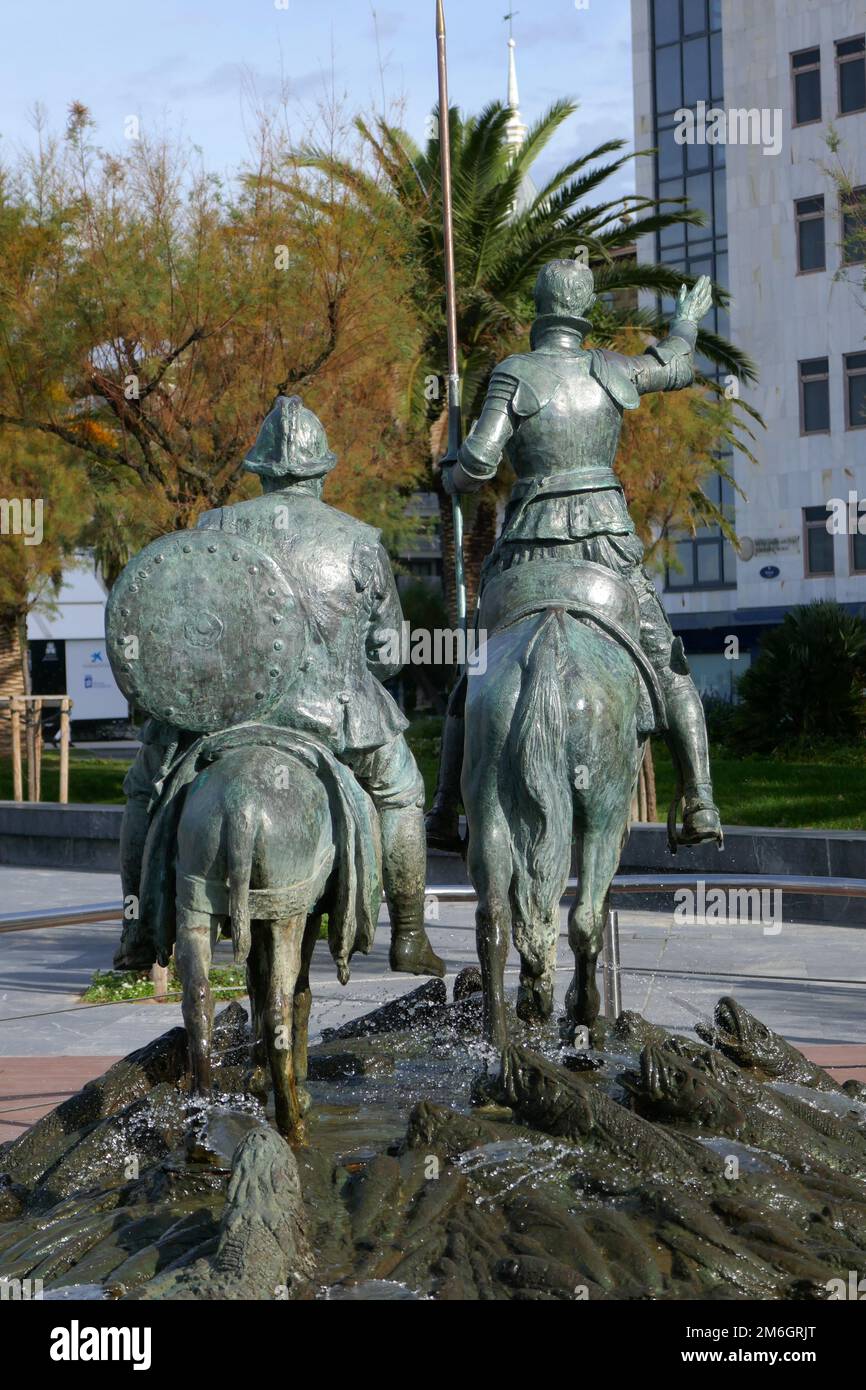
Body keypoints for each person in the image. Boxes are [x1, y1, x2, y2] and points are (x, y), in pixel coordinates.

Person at [117, 395, 444, 977]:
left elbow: (188, 632)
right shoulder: (360, 540)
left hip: (222, 718)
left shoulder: (214, 527)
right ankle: (410, 936)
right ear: (321, 471)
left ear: (260, 471)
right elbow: (388, 651)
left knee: (144, 788)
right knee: (401, 793)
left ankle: (137, 932)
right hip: (333, 719)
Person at [426, 258, 722, 848]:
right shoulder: (611, 369)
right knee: (669, 663)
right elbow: (678, 363)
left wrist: (450, 472)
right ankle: (699, 801)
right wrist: (686, 320)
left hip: (528, 548)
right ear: (583, 312)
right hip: (607, 544)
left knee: (478, 667)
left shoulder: (515, 374)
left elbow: (478, 465)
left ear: (538, 309)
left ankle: (443, 806)